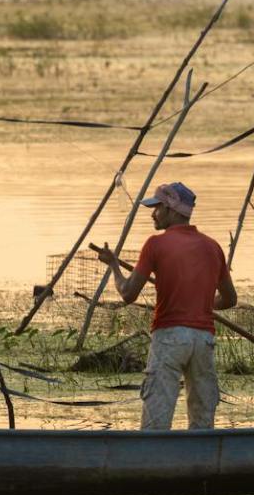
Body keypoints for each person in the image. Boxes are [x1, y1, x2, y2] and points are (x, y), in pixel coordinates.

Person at [93, 181, 237, 431]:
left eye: (157, 207)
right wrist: (199, 303)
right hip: (203, 340)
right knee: (203, 425)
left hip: (169, 338)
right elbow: (229, 299)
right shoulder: (212, 247)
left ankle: (153, 464)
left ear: (172, 210)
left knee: (155, 424)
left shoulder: (155, 244)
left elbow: (128, 293)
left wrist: (114, 265)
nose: (153, 213)